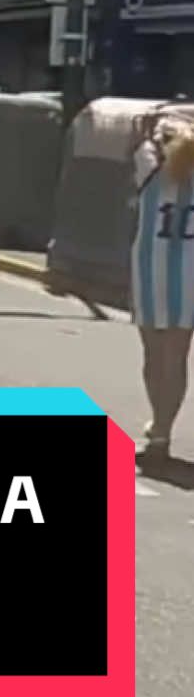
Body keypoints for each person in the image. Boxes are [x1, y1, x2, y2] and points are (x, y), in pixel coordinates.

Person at [130, 108, 194, 464]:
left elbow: (138, 140)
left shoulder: (148, 168)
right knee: (177, 355)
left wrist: (150, 130)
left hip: (150, 268)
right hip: (191, 274)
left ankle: (158, 427)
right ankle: (164, 427)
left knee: (153, 354)